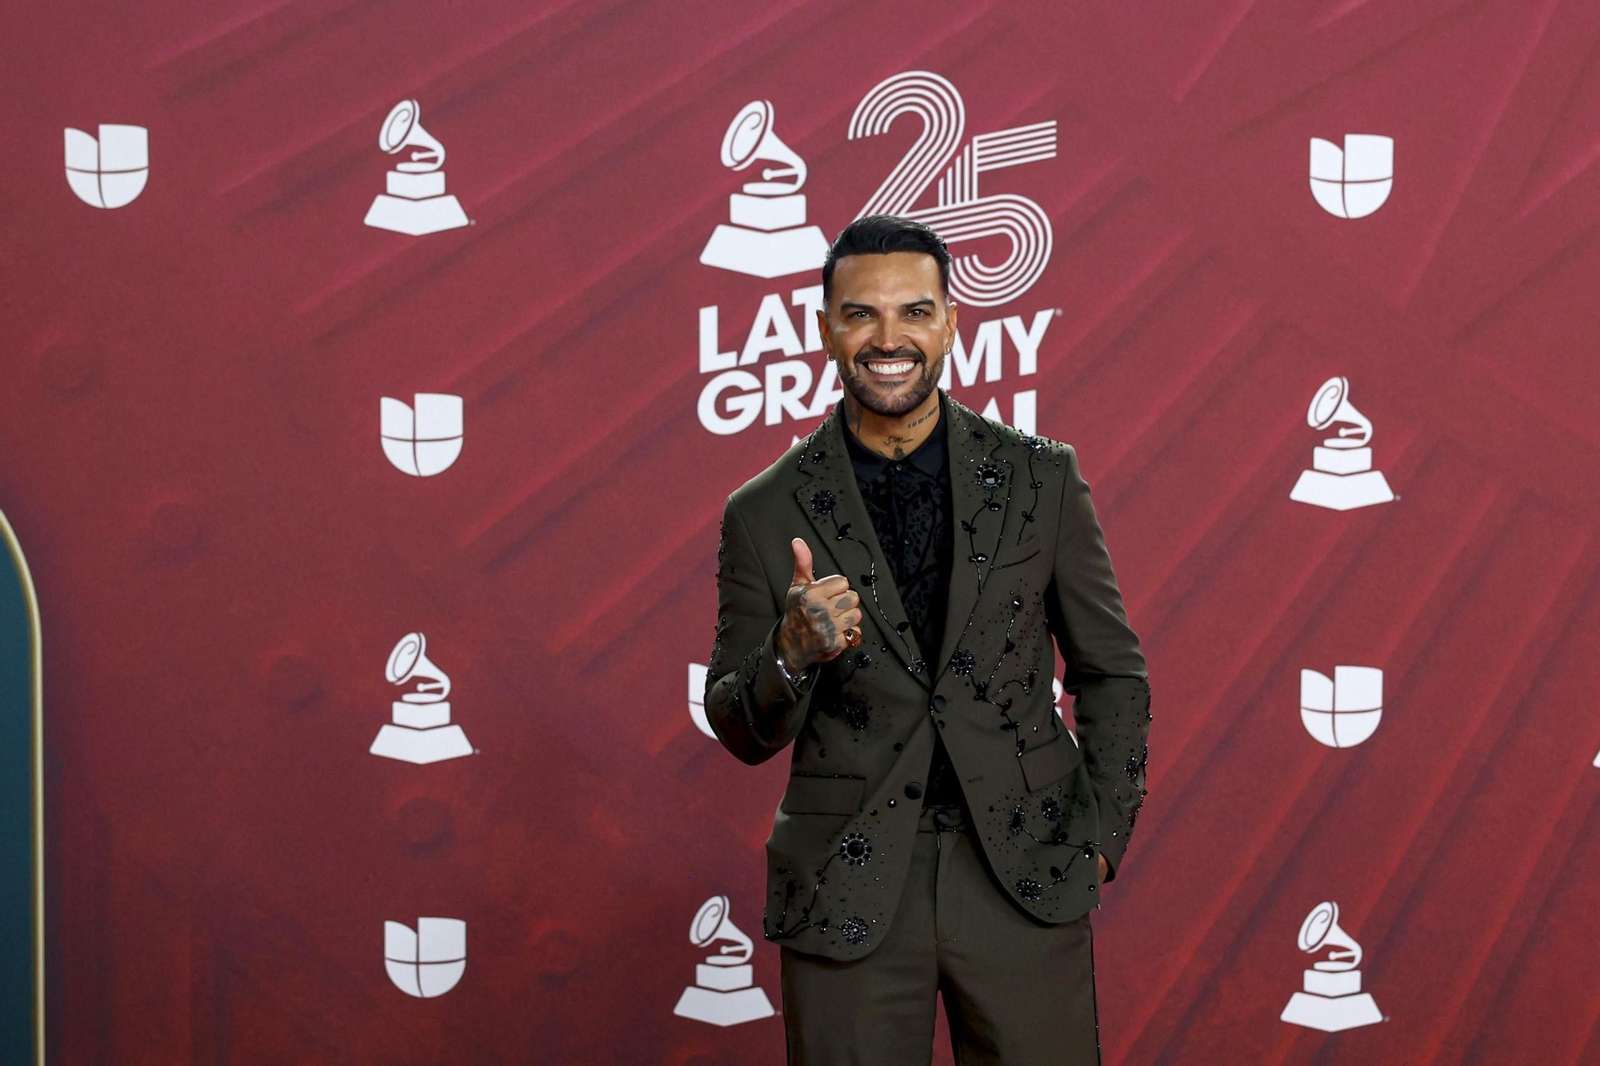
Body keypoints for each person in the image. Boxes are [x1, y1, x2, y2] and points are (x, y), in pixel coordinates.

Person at [705, 214, 1152, 1064]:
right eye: (861, 315)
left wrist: (1098, 841)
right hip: (847, 882)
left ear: (950, 321)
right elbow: (735, 722)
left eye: (914, 312)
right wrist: (790, 655)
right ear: (826, 327)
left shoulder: (1039, 477)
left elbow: (1113, 674)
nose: (889, 338)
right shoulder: (763, 512)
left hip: (1024, 868)